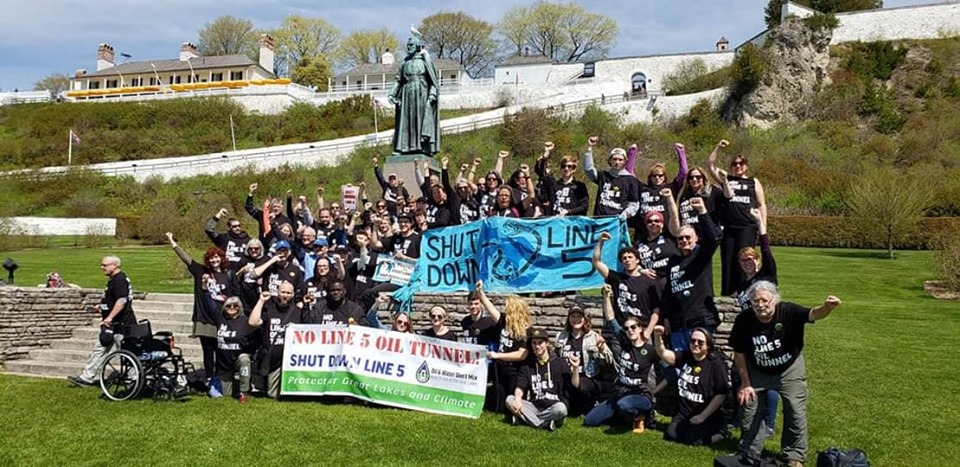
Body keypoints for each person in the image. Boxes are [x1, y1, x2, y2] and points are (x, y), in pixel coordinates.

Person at [731, 281, 842, 467]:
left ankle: (794, 455)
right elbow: (739, 352)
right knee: (749, 407)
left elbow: (813, 314)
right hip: (759, 369)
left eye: (764, 300)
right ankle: (749, 450)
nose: (760, 305)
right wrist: (746, 383)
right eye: (755, 301)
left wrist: (827, 308)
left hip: (789, 368)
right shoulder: (744, 320)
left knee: (795, 410)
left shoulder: (788, 311)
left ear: (774, 300)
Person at [166, 232, 237, 395]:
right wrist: (172, 241)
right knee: (208, 350)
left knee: (221, 350)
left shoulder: (228, 275)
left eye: (216, 257)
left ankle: (221, 379)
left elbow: (234, 296)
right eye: (211, 258)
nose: (214, 260)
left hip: (222, 319)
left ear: (221, 258)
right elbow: (186, 259)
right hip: (204, 319)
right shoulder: (200, 271)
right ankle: (210, 379)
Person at [584, 284, 658, 432]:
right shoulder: (625, 342)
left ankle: (641, 414)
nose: (630, 330)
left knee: (623, 405)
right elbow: (611, 319)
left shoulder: (650, 350)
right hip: (621, 392)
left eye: (633, 327)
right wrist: (606, 296)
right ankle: (622, 415)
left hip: (641, 395)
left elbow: (670, 372)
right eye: (627, 328)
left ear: (640, 328)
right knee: (590, 420)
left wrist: (654, 391)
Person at [661, 197, 722, 352]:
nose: (684, 240)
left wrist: (702, 211)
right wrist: (666, 316)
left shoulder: (701, 254)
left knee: (702, 360)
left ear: (695, 238)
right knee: (680, 362)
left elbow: (714, 237)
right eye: (680, 238)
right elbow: (668, 291)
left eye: (688, 237)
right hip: (678, 323)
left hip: (700, 320)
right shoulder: (673, 261)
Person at [707, 140, 768, 296]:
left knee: (745, 259)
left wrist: (763, 227)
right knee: (727, 260)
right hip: (729, 227)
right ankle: (727, 293)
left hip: (747, 226)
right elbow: (711, 165)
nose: (738, 166)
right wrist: (717, 148)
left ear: (746, 166)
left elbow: (761, 204)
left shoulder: (753, 182)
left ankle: (744, 292)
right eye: (735, 164)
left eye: (741, 163)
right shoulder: (727, 179)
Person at [653, 326, 730, 446]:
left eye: (700, 342)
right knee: (671, 435)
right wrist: (658, 336)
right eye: (693, 341)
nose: (696, 344)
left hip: (706, 414)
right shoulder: (687, 356)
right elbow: (663, 354)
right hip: (684, 413)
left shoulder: (716, 364)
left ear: (708, 345)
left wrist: (702, 416)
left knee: (694, 441)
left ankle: (721, 432)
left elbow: (721, 394)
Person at [68, 255, 137, 387]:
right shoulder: (113, 280)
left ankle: (134, 380)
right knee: (99, 349)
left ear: (114, 265)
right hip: (111, 326)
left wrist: (110, 317)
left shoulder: (120, 279)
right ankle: (86, 377)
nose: (102, 267)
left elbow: (122, 300)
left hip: (122, 324)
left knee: (126, 353)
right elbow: (113, 300)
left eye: (104, 265)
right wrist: (101, 307)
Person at [507, 327, 580, 431]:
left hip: (553, 406)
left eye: (540, 343)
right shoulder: (528, 365)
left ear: (547, 344)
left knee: (561, 409)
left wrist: (575, 368)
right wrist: (518, 400)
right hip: (534, 406)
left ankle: (527, 419)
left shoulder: (560, 363)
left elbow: (574, 385)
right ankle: (545, 423)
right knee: (510, 400)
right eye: (534, 343)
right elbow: (520, 386)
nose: (537, 346)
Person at [592, 232, 661, 338]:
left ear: (637, 260)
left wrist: (648, 330)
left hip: (642, 329)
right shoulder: (616, 278)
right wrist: (600, 241)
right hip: (622, 329)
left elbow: (656, 310)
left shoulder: (649, 281)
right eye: (624, 258)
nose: (627, 260)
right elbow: (596, 261)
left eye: (630, 257)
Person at [478, 282, 532, 414]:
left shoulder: (527, 330)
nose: (505, 310)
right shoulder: (503, 322)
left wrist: (498, 355)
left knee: (512, 402)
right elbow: (490, 308)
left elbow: (522, 355)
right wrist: (480, 293)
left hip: (515, 371)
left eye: (508, 308)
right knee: (500, 406)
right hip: (501, 369)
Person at [248, 282, 304, 399]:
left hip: (290, 360)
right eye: (283, 292)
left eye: (288, 293)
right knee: (272, 394)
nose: (285, 295)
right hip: (272, 359)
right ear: (277, 293)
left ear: (293, 295)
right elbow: (253, 322)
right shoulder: (269, 309)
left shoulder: (298, 312)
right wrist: (261, 301)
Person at [555, 305, 613, 415]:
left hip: (588, 376)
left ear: (584, 319)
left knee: (580, 386)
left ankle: (590, 404)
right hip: (567, 375)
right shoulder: (561, 336)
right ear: (568, 319)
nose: (576, 319)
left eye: (579, 316)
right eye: (573, 316)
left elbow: (609, 361)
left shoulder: (593, 336)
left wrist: (601, 350)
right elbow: (556, 358)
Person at [388, 35, 440, 156]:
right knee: (406, 121)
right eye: (408, 45)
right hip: (406, 93)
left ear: (417, 46)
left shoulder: (425, 61)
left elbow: (434, 82)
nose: (409, 47)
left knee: (420, 120)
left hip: (422, 93)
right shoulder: (405, 62)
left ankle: (422, 147)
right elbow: (398, 80)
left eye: (411, 45)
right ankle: (403, 148)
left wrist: (432, 95)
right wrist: (392, 93)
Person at [582, 136, 640, 219]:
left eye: (620, 160)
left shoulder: (631, 180)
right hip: (599, 220)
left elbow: (634, 204)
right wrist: (589, 148)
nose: (617, 162)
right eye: (614, 159)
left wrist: (625, 214)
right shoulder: (603, 176)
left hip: (617, 221)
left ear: (625, 162)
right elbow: (588, 169)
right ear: (610, 161)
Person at [213, 296, 255, 403]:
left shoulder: (245, 321)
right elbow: (209, 303)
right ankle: (236, 384)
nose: (232, 307)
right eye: (229, 306)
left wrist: (250, 352)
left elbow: (255, 338)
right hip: (224, 363)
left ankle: (244, 392)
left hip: (239, 358)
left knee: (244, 360)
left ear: (239, 308)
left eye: (235, 306)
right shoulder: (220, 318)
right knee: (227, 394)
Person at [677, 166, 725, 238]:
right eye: (691, 177)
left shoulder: (714, 191)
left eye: (698, 177)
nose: (694, 179)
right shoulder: (684, 195)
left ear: (703, 178)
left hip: (707, 233)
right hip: (688, 236)